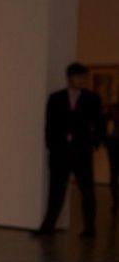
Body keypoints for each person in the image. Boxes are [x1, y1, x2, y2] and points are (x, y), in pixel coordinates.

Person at [35, 62, 104, 237]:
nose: (82, 80)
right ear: (70, 78)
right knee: (56, 191)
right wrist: (51, 145)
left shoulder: (92, 98)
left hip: (82, 151)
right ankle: (48, 226)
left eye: (84, 77)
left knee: (87, 191)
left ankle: (90, 228)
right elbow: (49, 124)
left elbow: (99, 123)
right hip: (60, 152)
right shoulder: (56, 98)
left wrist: (95, 143)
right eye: (79, 77)